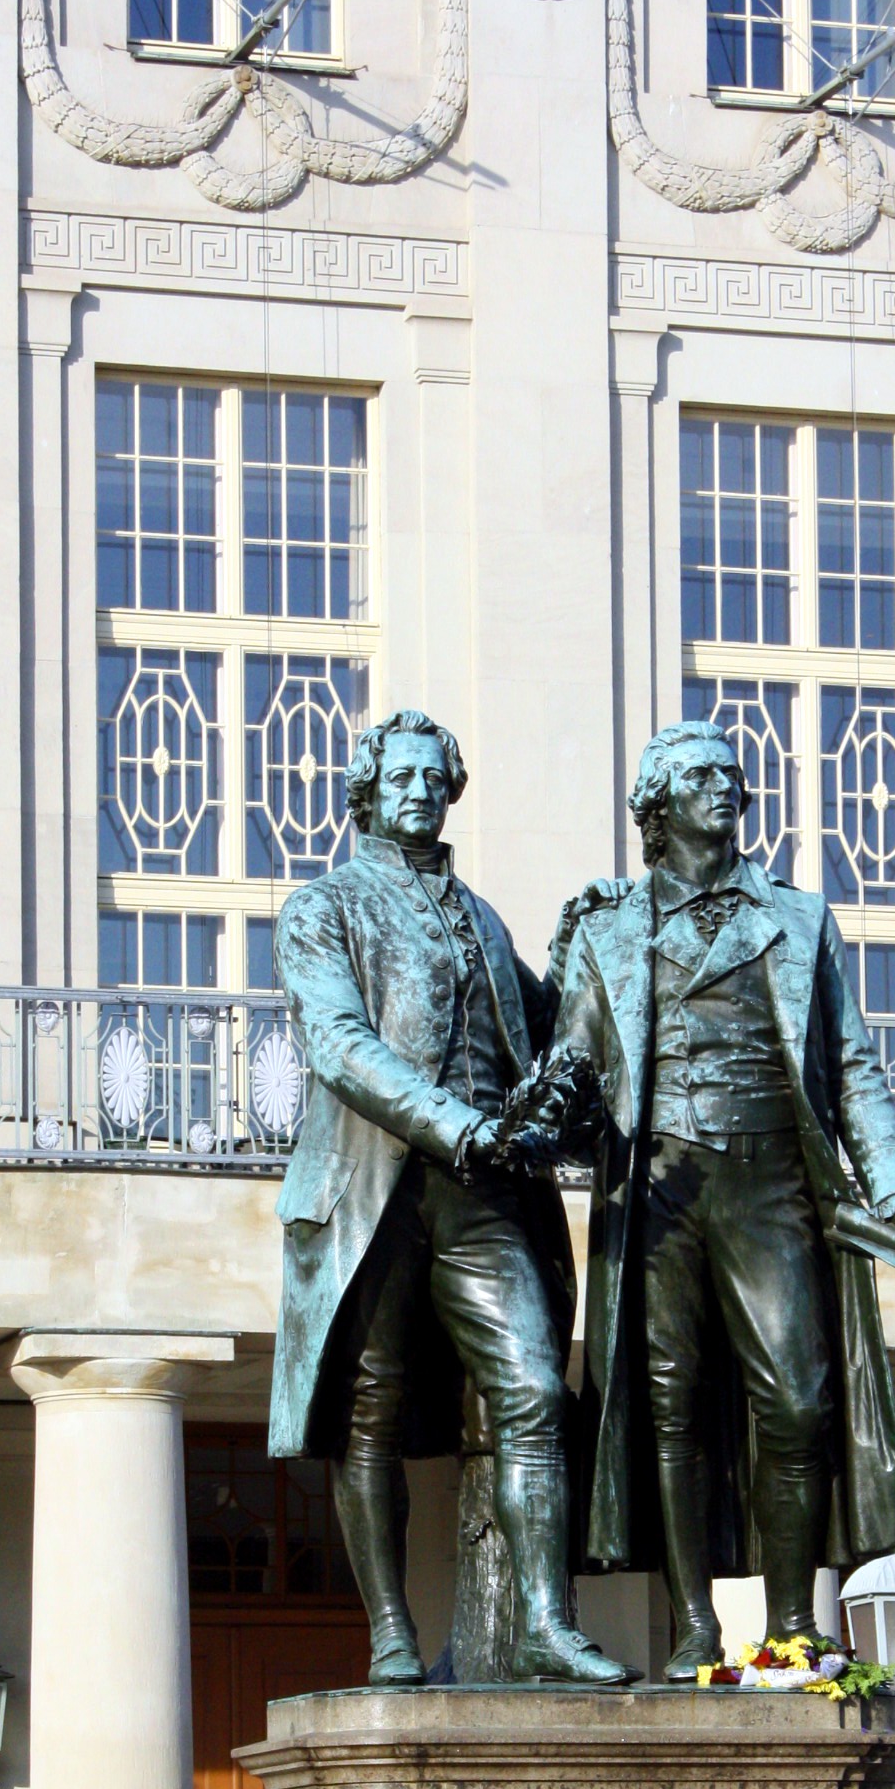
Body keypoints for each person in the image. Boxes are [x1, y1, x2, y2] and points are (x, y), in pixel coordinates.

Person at [550, 716, 895, 1681]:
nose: (726, 787)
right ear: (657, 807)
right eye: (702, 775)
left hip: (770, 1180)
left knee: (797, 1400)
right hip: (658, 1183)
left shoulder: (796, 917)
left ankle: (792, 1620)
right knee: (671, 1406)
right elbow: (571, 1065)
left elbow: (854, 1068)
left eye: (733, 774)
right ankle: (694, 1624)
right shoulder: (608, 925)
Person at [270, 707, 626, 1689]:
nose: (422, 791)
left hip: (486, 1185)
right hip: (373, 1184)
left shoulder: (478, 915)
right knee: (369, 1409)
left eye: (436, 776)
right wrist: (449, 1121)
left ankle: (543, 1625)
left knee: (530, 1389)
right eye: (405, 776)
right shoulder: (325, 905)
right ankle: (388, 1627)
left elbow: (544, 1030)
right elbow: (340, 1045)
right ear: (369, 789)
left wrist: (580, 942)